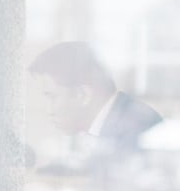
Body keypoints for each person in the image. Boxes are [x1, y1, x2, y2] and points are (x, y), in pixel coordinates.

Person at [29, 41, 162, 151]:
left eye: (52, 97)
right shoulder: (115, 123)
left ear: (83, 95)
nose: (48, 111)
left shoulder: (132, 132)